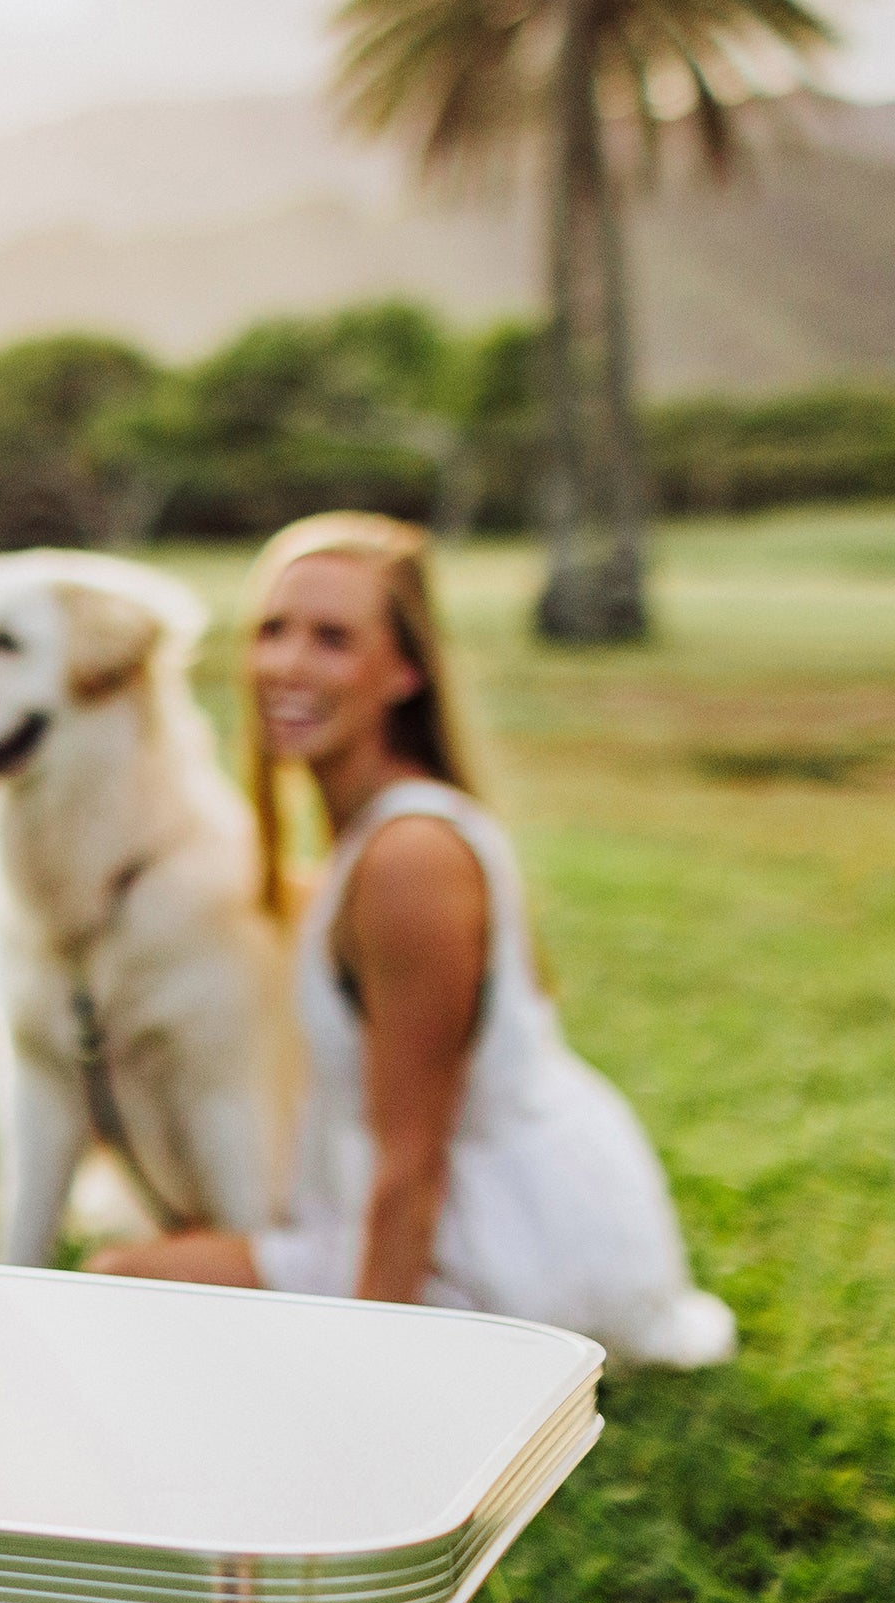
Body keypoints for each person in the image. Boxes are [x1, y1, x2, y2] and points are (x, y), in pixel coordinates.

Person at [90, 513, 734, 1367]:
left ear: (404, 671)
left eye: (332, 639)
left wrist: (373, 1370)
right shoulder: (367, 840)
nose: (286, 663)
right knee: (171, 1251)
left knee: (119, 1279)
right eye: (272, 630)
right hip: (479, 1208)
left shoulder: (411, 859)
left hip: (508, 1243)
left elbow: (412, 1157)